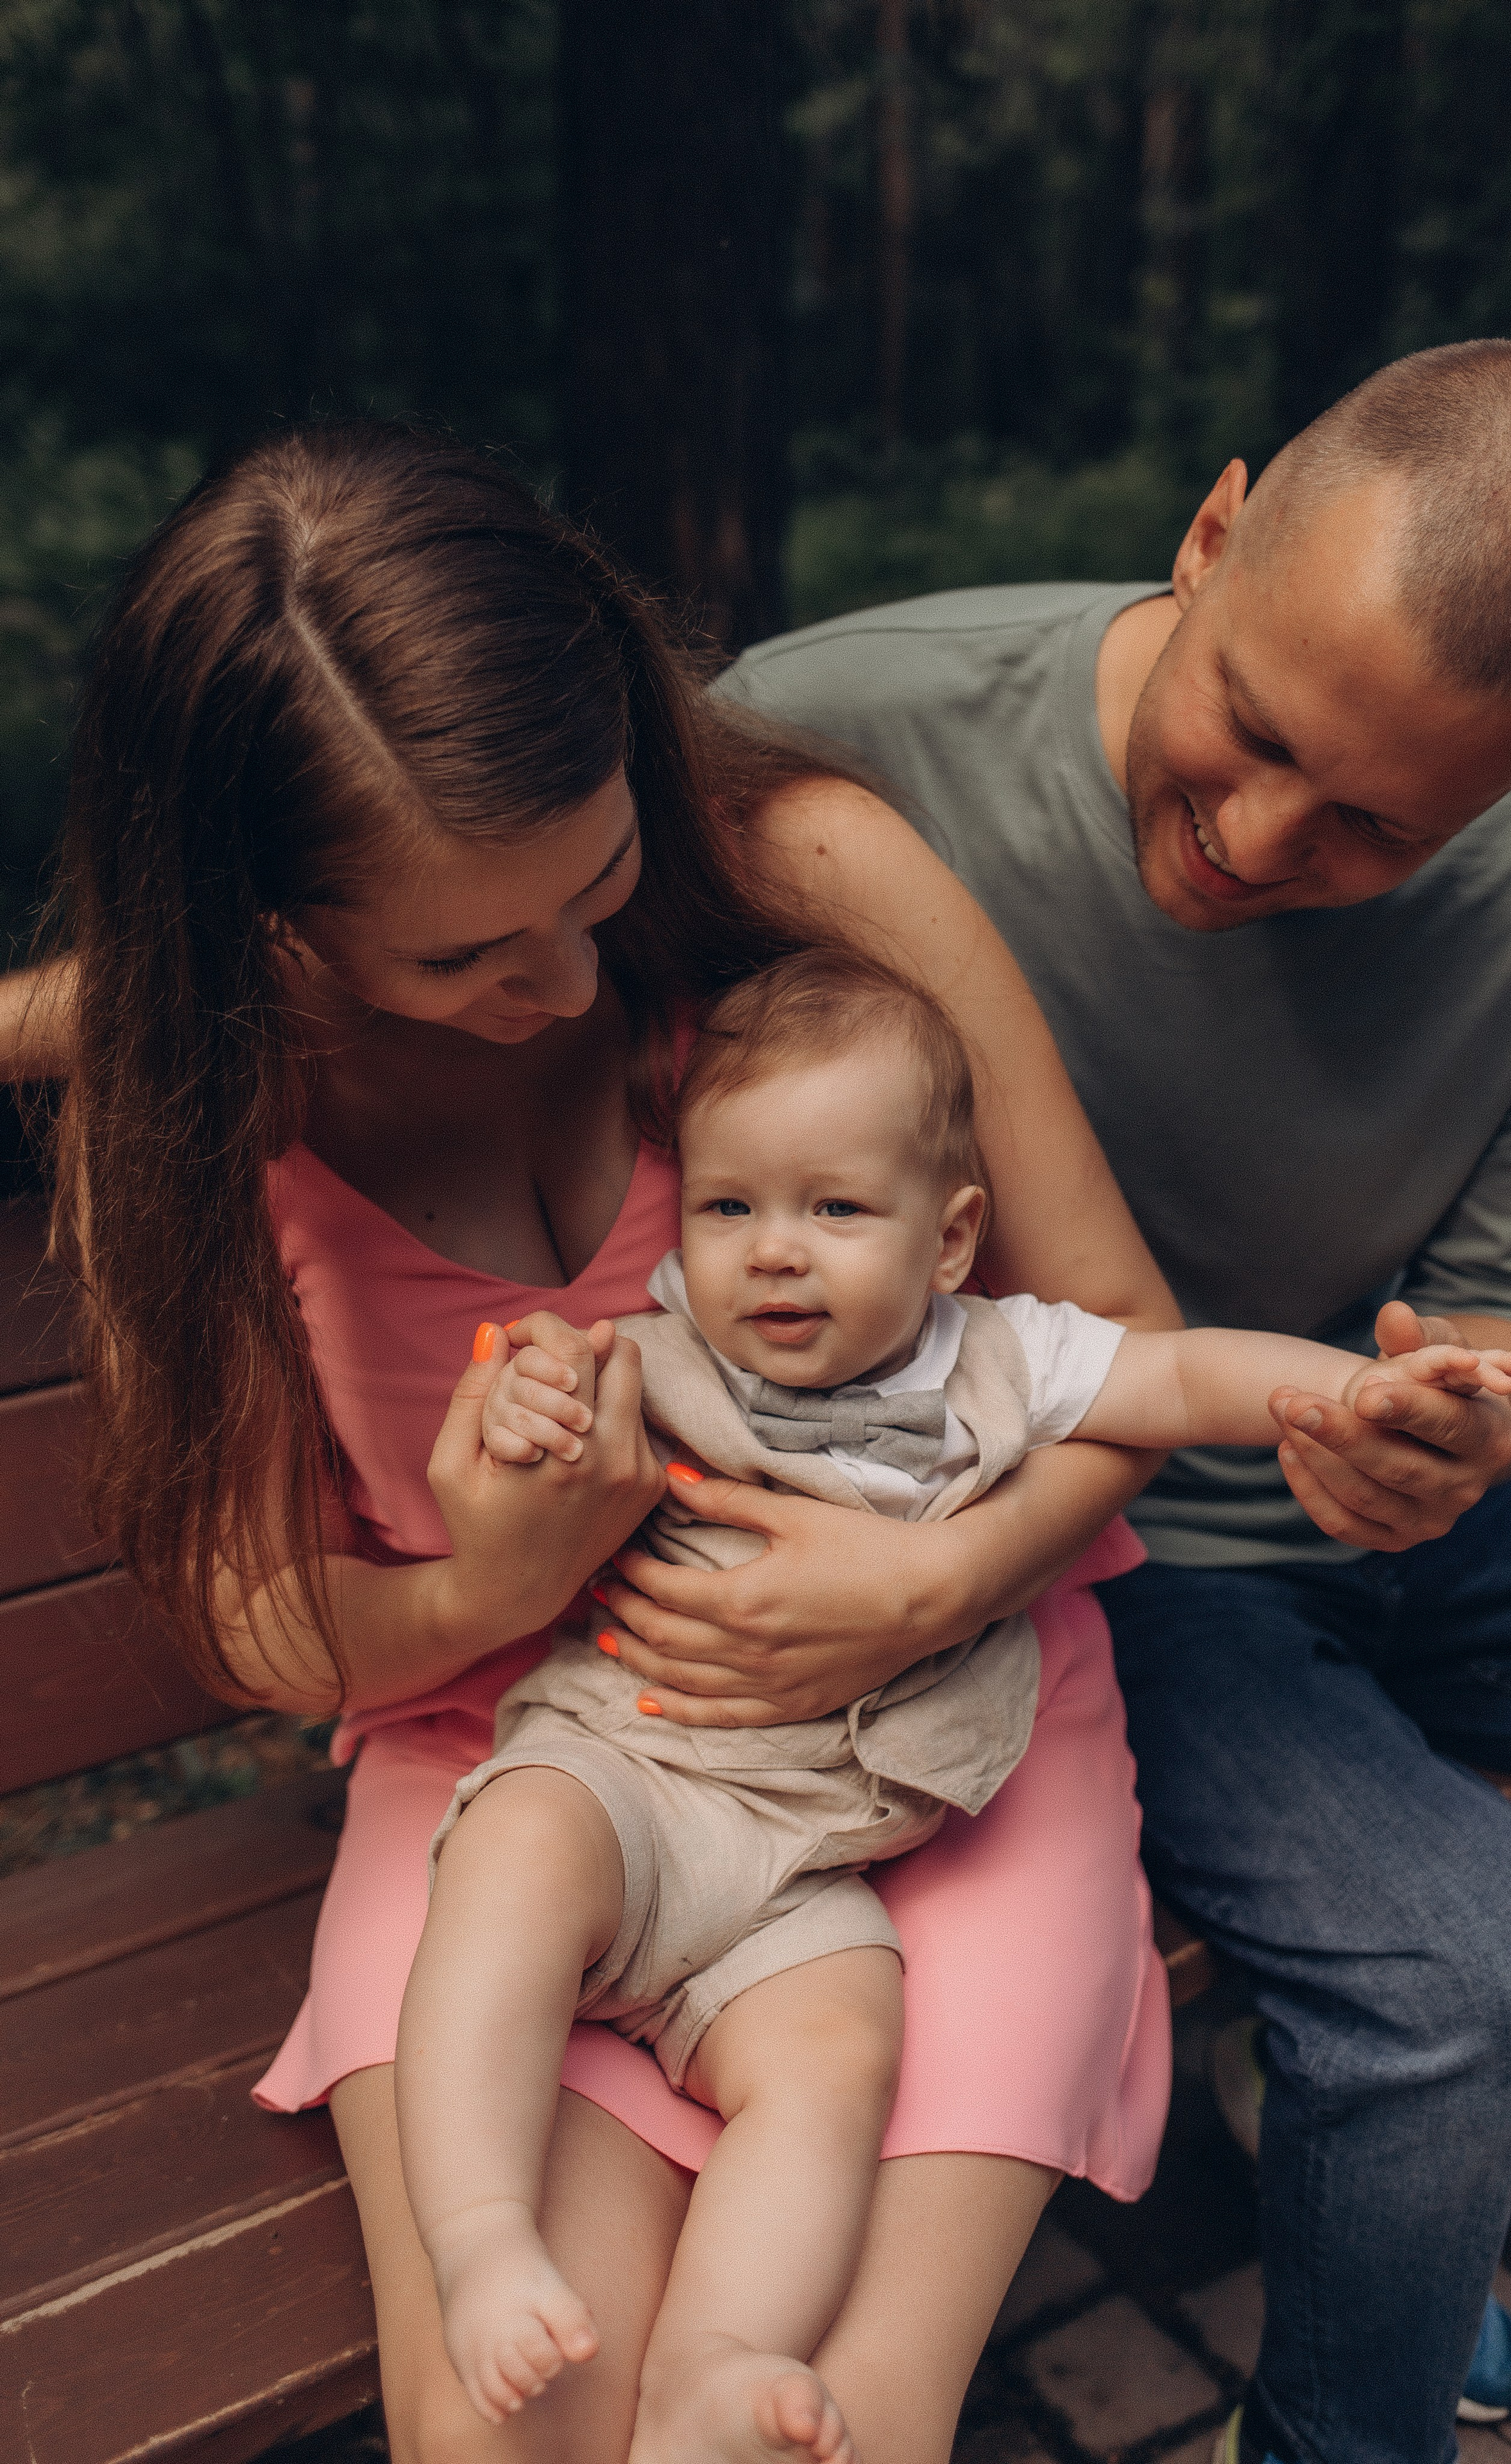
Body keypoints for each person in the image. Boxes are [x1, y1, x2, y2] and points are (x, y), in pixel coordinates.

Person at [0, 420, 1197, 2464]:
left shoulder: (805, 873)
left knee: (825, 2428)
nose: (560, 984)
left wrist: (930, 1576)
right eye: (463, 954)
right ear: (265, 924)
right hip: (520, 1766)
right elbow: (259, 1626)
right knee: (514, 2428)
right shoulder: (195, 1097)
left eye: (596, 882)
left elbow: (1124, 1335)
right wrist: (497, 1577)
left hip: (930, 1736)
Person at [705, 337, 1511, 2464]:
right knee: (1468, 1971)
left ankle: (1401, 2161)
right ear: (1211, 536)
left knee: (1459, 2038)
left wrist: (1474, 1416)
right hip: (1097, 1541)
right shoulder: (842, 727)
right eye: (1259, 731)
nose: (1257, 835)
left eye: (1380, 825)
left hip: (1409, 1495)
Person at [402, 942, 1511, 2458]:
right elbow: (538, 1416)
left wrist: (1340, 1393)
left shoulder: (1007, 1361)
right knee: (510, 1854)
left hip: (814, 1868)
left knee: (834, 2063)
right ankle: (480, 2238)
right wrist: (531, 1403)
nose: (772, 1253)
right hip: (633, 1776)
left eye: (833, 1209)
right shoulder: (651, 1357)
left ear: (948, 1241)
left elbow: (1181, 1378)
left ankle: (718, 2361)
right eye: (728, 1207)